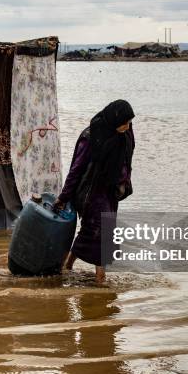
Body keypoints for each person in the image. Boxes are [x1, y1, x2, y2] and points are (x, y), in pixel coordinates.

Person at [54, 99, 135, 283]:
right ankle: (100, 278)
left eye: (129, 123)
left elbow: (126, 161)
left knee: (91, 232)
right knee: (100, 232)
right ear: (114, 121)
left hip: (110, 192)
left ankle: (68, 265)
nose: (128, 127)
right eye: (125, 123)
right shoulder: (91, 138)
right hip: (91, 192)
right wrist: (63, 197)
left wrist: (124, 184)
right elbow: (76, 170)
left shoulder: (124, 134)